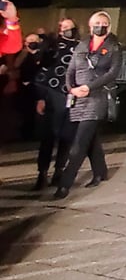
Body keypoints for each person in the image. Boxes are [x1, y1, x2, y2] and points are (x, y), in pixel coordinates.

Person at [54, 11, 123, 199]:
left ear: (109, 26)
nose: (100, 26)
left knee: (79, 143)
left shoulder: (114, 47)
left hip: (97, 97)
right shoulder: (82, 45)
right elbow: (71, 69)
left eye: (104, 23)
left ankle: (65, 184)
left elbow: (112, 73)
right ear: (90, 25)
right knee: (90, 138)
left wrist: (89, 87)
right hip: (78, 97)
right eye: (97, 23)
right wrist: (72, 88)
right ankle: (101, 171)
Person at [32, 17, 81, 190]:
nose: (65, 30)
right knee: (48, 137)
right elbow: (43, 70)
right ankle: (42, 173)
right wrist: (40, 97)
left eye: (69, 27)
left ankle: (59, 171)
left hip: (71, 95)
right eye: (63, 27)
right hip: (52, 95)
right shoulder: (52, 45)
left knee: (66, 136)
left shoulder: (80, 47)